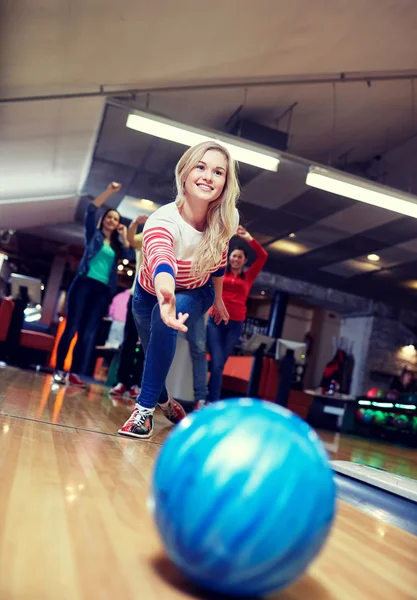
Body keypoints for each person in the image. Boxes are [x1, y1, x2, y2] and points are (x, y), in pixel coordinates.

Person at [118, 140, 240, 439]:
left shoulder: (227, 218)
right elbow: (162, 264)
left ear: (225, 183)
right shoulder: (163, 221)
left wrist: (220, 298)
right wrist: (166, 297)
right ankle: (163, 401)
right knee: (153, 355)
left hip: (198, 292)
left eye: (218, 172)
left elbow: (220, 260)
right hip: (150, 297)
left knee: (163, 331)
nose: (208, 176)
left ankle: (143, 412)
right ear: (184, 172)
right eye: (201, 167)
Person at [53, 183, 131, 387]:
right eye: (109, 217)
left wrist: (124, 236)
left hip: (102, 291)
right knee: (72, 328)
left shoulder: (115, 245)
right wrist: (109, 192)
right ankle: (60, 370)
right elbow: (90, 210)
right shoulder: (93, 235)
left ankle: (75, 374)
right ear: (104, 220)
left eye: (116, 219)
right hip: (84, 284)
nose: (112, 221)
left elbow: (130, 253)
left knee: (87, 334)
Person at [206, 226, 268, 403]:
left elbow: (263, 256)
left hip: (235, 324)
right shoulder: (220, 273)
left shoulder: (248, 277)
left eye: (240, 257)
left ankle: (209, 398)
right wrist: (227, 237)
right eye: (234, 256)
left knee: (219, 365)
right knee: (217, 363)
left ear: (244, 261)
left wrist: (249, 238)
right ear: (229, 258)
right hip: (215, 321)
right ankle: (212, 400)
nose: (236, 259)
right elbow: (215, 249)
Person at [109, 215, 148, 398]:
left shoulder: (168, 244)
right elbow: (131, 239)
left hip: (155, 300)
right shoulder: (145, 238)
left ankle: (138, 384)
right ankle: (123, 381)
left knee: (147, 344)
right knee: (129, 340)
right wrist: (134, 224)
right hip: (136, 295)